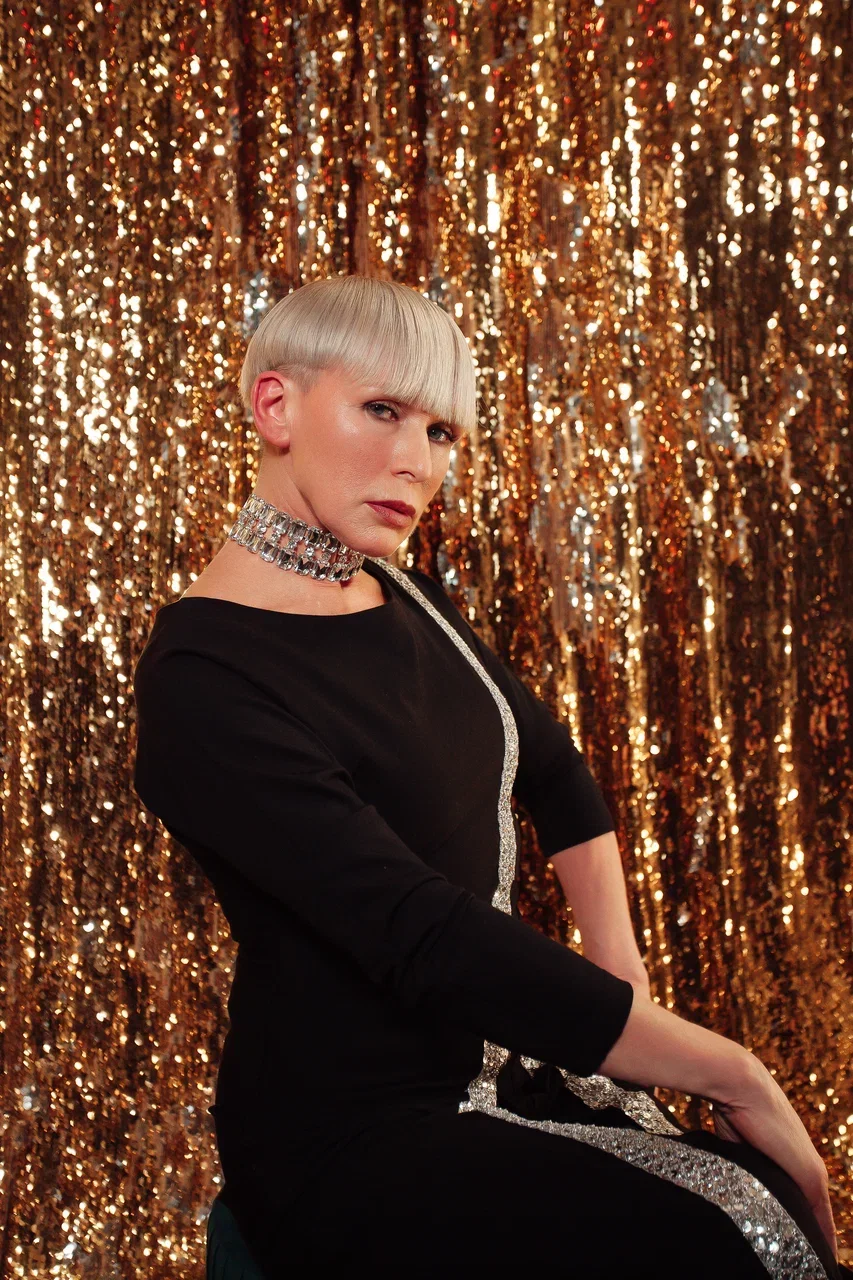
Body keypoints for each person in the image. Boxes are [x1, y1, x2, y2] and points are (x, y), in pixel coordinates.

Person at [131, 274, 848, 1278]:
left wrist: (620, 969)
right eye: (383, 410)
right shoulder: (200, 676)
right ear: (276, 406)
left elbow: (553, 769)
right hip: (347, 1134)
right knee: (722, 1237)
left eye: (441, 432)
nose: (417, 462)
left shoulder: (406, 595)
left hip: (502, 1066)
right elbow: (419, 930)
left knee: (759, 1202)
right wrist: (728, 1067)